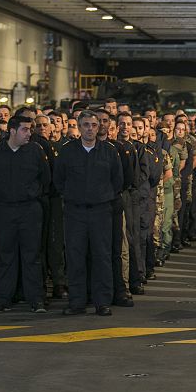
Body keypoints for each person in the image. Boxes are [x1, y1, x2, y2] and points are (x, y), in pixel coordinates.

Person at [54, 110, 123, 316]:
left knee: (102, 257)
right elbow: (59, 180)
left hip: (102, 211)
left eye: (94, 125)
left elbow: (118, 180)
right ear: (78, 126)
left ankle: (102, 302)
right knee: (75, 257)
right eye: (86, 125)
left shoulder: (109, 152)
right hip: (75, 212)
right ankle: (77, 302)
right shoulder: (67, 152)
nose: (90, 129)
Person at [0, 115, 51, 313]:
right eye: (25, 129)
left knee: (32, 255)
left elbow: (45, 178)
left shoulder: (35, 151)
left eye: (30, 129)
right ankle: (3, 299)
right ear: (12, 131)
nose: (29, 133)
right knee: (6, 255)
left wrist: (33, 195)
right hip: (4, 210)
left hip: (30, 209)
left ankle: (36, 299)